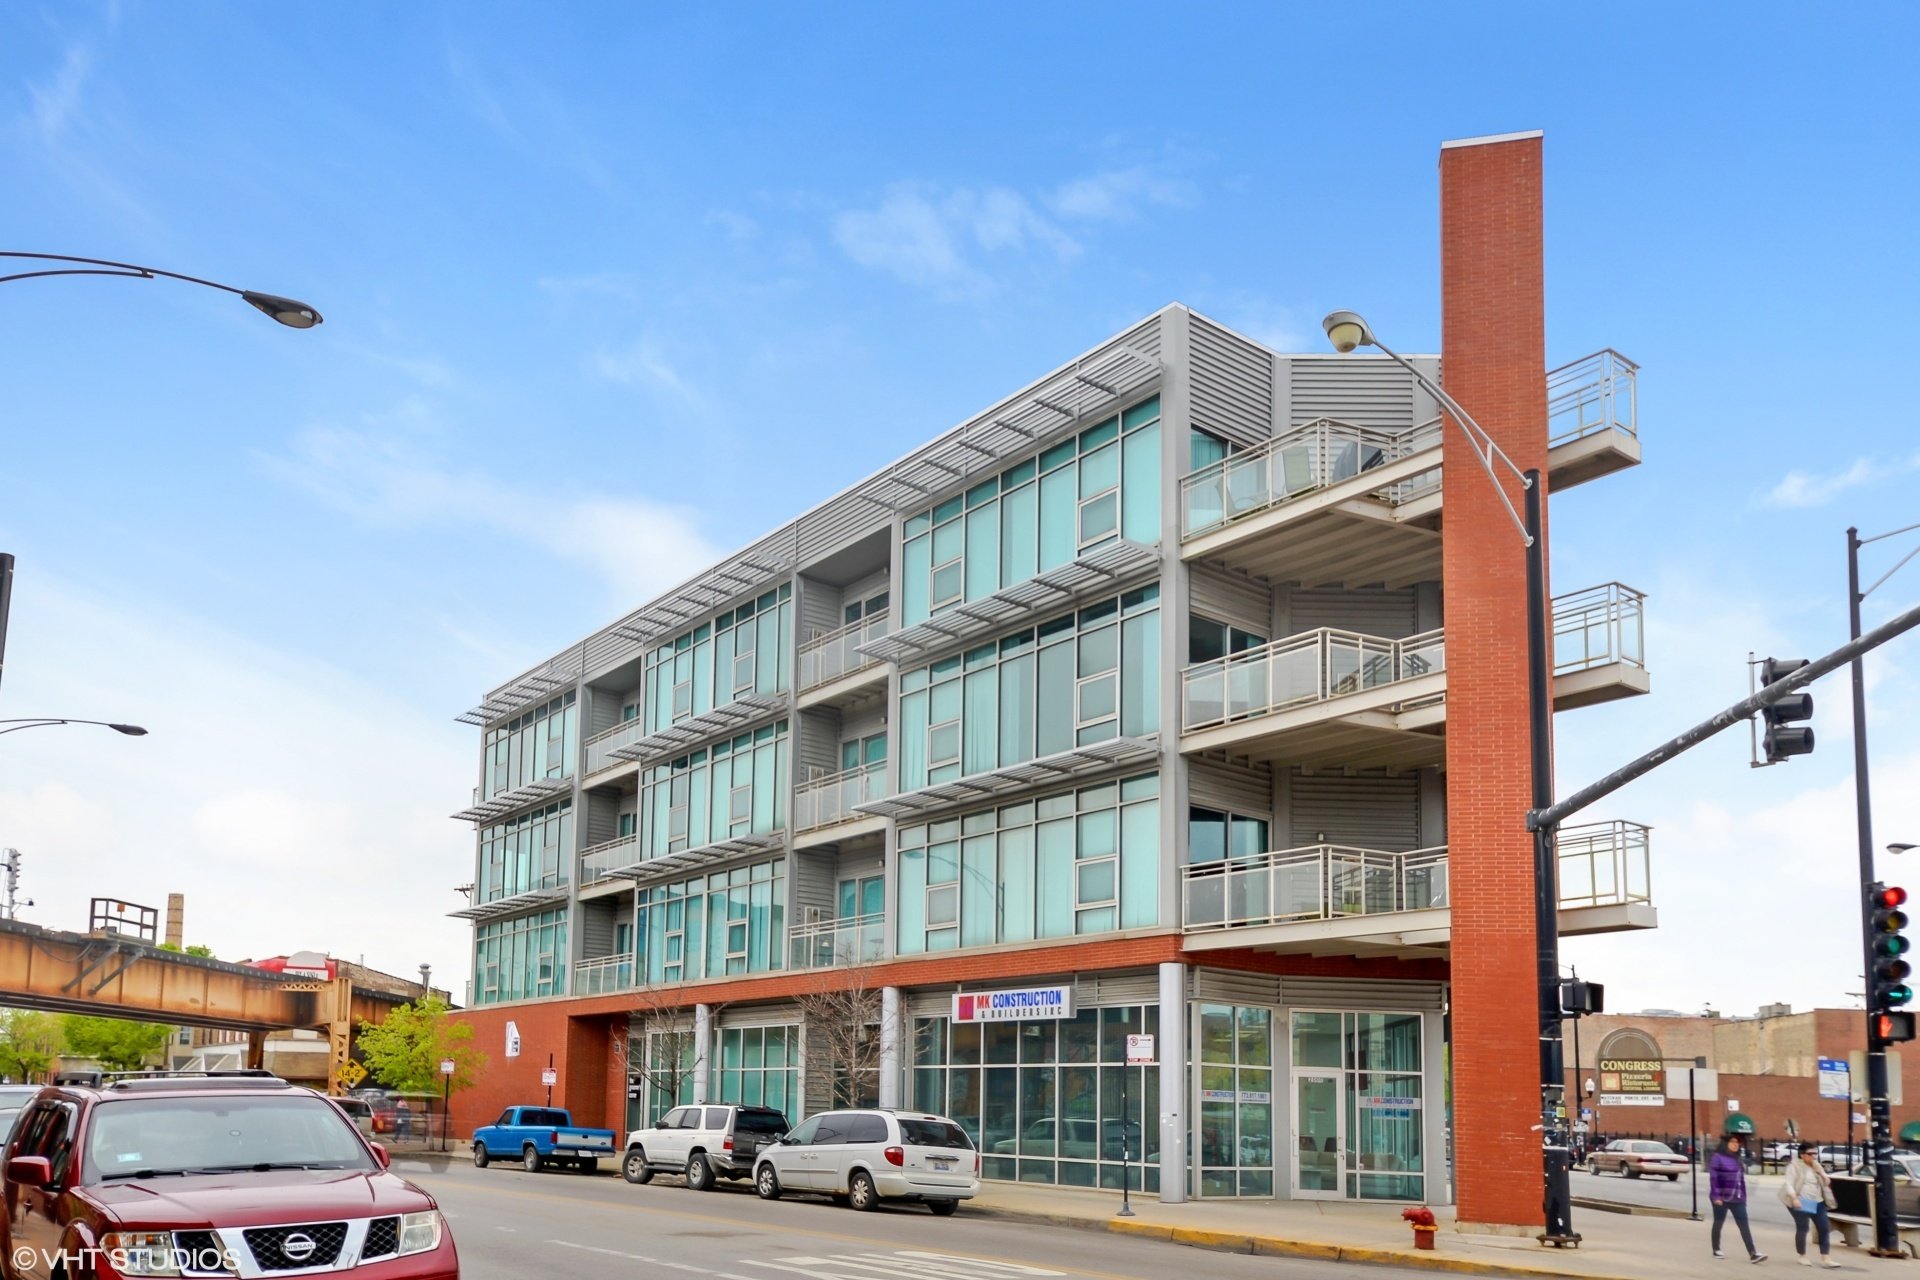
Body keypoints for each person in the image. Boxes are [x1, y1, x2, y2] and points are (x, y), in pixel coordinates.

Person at [1780, 1142, 1841, 1268]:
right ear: (1802, 1155)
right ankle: (1802, 1255)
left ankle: (1826, 1257)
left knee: (1824, 1228)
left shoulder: (1816, 1165)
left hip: (1817, 1201)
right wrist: (1794, 1198)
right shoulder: (1794, 1166)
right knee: (1803, 1228)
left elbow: (1827, 1182)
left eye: (1815, 1153)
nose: (1813, 1156)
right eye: (1810, 1154)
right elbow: (1789, 1183)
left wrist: (1821, 1173)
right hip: (1800, 1200)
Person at [1708, 1136, 1766, 1263]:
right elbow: (1714, 1178)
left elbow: (1741, 1180)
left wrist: (1743, 1197)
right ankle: (1716, 1249)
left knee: (1744, 1225)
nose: (1736, 1145)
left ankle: (1753, 1253)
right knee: (1718, 1222)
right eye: (1732, 1142)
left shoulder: (1737, 1159)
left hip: (1737, 1198)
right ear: (1725, 1143)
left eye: (1737, 1143)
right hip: (1721, 1197)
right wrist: (1716, 1196)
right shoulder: (1717, 1157)